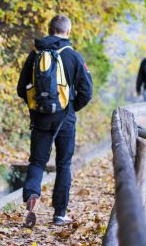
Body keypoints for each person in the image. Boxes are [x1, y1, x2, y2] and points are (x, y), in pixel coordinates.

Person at [17, 15, 93, 227]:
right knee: (63, 164)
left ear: (49, 29)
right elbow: (87, 92)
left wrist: (36, 107)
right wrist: (70, 107)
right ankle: (59, 214)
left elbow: (21, 88)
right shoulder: (73, 56)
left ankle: (32, 194)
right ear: (68, 32)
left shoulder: (35, 54)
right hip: (65, 119)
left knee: (38, 161)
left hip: (40, 118)